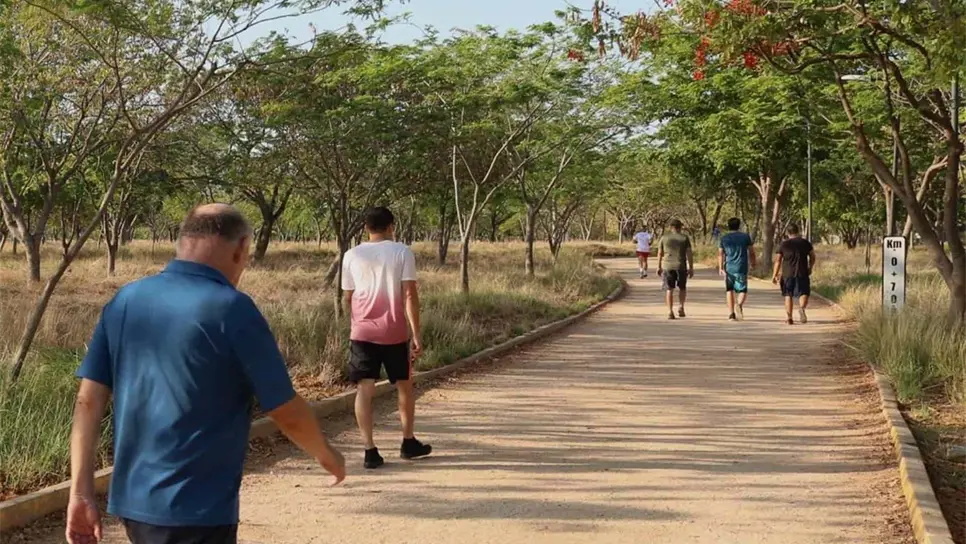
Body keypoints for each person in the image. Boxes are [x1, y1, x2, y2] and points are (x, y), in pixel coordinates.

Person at [68, 204, 345, 544]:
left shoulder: (126, 300)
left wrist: (80, 492)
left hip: (134, 505)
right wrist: (326, 454)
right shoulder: (232, 308)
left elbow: (88, 401)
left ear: (184, 239)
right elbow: (285, 410)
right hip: (196, 510)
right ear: (241, 247)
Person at [342, 207, 432, 470]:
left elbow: (348, 296)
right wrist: (416, 333)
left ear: (366, 228)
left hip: (362, 332)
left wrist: (356, 321)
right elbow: (409, 294)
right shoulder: (402, 252)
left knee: (364, 389)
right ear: (391, 226)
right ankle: (408, 442)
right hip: (393, 331)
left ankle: (369, 450)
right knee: (404, 385)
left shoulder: (351, 255)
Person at [772, 224, 817, 325]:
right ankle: (802, 308)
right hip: (802, 272)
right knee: (804, 292)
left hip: (787, 274)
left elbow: (778, 261)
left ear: (787, 233)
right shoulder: (805, 243)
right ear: (798, 231)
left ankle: (789, 318)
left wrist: (774, 274)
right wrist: (810, 267)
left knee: (788, 295)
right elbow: (813, 256)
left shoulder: (784, 244)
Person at [718, 217, 757, 321]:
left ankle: (731, 314)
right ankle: (739, 304)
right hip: (741, 266)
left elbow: (720, 254)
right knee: (742, 289)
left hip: (729, 267)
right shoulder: (745, 237)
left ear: (728, 226)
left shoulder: (724, 238)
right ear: (739, 226)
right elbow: (751, 252)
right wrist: (753, 263)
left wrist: (721, 267)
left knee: (729, 290)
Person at [657, 219, 694, 320]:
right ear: (680, 227)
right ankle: (681, 306)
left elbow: (660, 253)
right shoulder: (684, 238)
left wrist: (659, 266)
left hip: (667, 266)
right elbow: (689, 253)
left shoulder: (664, 238)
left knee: (669, 289)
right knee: (682, 288)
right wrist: (691, 267)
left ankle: (670, 311)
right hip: (681, 266)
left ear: (671, 227)